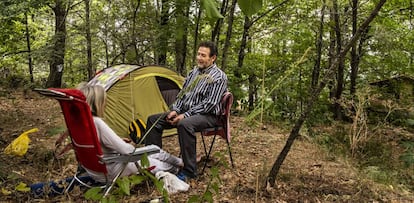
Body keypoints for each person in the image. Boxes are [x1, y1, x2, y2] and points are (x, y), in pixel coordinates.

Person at [144, 41, 228, 180]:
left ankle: (189, 171)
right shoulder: (193, 72)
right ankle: (154, 162)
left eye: (203, 55)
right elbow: (182, 95)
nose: (199, 58)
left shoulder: (219, 77)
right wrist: (175, 110)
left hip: (208, 115)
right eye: (198, 54)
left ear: (213, 58)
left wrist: (185, 115)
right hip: (186, 113)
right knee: (153, 120)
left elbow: (210, 104)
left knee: (185, 124)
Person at [79, 84, 183, 183]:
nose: (105, 104)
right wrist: (129, 146)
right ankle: (180, 167)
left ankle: (180, 161)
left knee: (155, 150)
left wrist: (116, 142)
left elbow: (98, 144)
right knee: (159, 156)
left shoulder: (80, 123)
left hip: (95, 170)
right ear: (97, 103)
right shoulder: (97, 122)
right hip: (113, 169)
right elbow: (127, 151)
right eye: (104, 101)